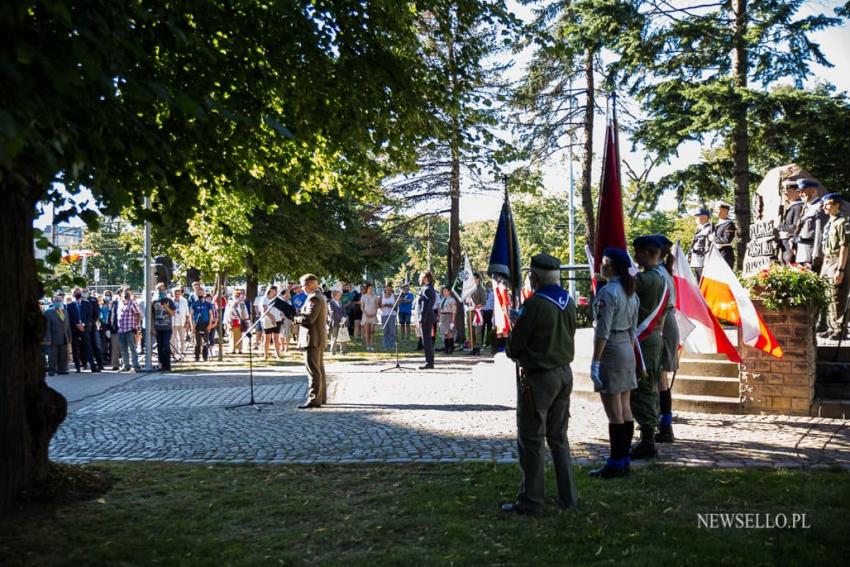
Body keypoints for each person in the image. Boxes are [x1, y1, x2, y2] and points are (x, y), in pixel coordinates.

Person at [502, 253, 578, 514]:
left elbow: (515, 346)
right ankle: (568, 496)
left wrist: (514, 326)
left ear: (534, 277)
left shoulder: (534, 304)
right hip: (564, 374)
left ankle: (532, 500)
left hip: (539, 378)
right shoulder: (568, 301)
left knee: (532, 438)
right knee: (558, 438)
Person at [588, 248, 639, 478]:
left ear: (612, 267)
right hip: (627, 348)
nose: (601, 265)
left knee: (614, 412)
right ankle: (624, 458)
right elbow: (633, 328)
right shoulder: (631, 292)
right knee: (625, 408)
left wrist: (596, 362)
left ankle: (616, 462)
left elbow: (603, 331)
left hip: (611, 350)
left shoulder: (609, 292)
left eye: (604, 262)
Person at [629, 236, 669, 460]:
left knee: (643, 387)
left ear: (646, 253)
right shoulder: (662, 276)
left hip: (642, 339)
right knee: (651, 385)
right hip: (653, 336)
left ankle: (646, 440)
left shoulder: (644, 280)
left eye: (637, 252)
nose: (635, 257)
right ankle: (649, 432)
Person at [655, 234, 678, 444]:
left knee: (660, 379)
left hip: (662, 325)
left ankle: (665, 426)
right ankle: (663, 424)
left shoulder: (660, 274)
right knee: (659, 379)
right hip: (665, 322)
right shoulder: (663, 271)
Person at [818, 193, 850, 340]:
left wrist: (840, 269)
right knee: (828, 295)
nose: (825, 206)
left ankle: (840, 329)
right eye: (824, 204)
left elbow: (844, 246)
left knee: (837, 296)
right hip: (828, 261)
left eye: (828, 203)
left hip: (837, 261)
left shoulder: (842, 222)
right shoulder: (830, 222)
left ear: (837, 205)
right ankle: (832, 327)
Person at [295, 274, 329, 409]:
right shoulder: (319, 296)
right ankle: (321, 397)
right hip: (316, 338)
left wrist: (295, 318)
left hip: (312, 339)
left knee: (313, 370)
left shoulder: (314, 297)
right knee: (318, 368)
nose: (302, 288)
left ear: (310, 284)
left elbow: (309, 318)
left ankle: (314, 399)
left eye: (303, 285)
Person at [795, 179, 828, 272]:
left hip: (812, 256)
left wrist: (817, 255)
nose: (800, 194)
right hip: (802, 255)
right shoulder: (806, 208)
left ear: (813, 191)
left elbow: (820, 233)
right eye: (799, 192)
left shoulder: (820, 207)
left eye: (802, 191)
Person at [67, 286, 99, 373]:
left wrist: (83, 324)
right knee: (75, 348)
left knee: (88, 347)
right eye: (76, 293)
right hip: (75, 329)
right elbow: (69, 318)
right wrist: (77, 324)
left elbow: (89, 315)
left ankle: (93, 366)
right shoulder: (70, 305)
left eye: (79, 293)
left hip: (85, 328)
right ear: (73, 294)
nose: (78, 294)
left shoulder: (87, 303)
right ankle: (77, 367)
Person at [44, 293, 72, 375]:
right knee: (52, 355)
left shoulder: (65, 312)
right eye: (57, 301)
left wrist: (69, 337)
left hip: (64, 337)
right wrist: (47, 339)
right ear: (53, 301)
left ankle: (62, 369)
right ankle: (52, 370)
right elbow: (47, 327)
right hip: (53, 337)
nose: (59, 302)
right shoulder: (48, 312)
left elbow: (68, 325)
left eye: (60, 300)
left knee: (63, 355)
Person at [778, 179, 805, 265]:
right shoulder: (791, 207)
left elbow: (795, 227)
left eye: (788, 191)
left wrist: (781, 226)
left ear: (797, 192)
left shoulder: (798, 207)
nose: (785, 193)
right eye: (784, 191)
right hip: (785, 246)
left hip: (792, 245)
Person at [152, 283, 177, 371]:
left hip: (167, 327)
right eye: (159, 290)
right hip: (157, 328)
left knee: (166, 345)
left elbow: (173, 313)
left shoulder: (169, 301)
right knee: (159, 346)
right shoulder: (154, 302)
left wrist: (166, 307)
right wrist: (153, 328)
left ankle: (167, 365)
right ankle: (161, 365)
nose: (161, 292)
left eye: (162, 290)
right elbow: (152, 316)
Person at [116, 287, 142, 372]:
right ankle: (126, 365)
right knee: (123, 349)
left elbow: (138, 314)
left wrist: (137, 325)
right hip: (121, 329)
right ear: (122, 294)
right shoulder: (120, 303)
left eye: (127, 292)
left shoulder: (132, 303)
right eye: (124, 292)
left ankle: (136, 365)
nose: (126, 294)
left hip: (130, 329)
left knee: (132, 348)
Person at [417, 271, 438, 369]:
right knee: (427, 340)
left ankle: (429, 362)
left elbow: (425, 306)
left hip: (426, 317)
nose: (420, 278)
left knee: (427, 341)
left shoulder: (427, 290)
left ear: (426, 278)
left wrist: (421, 319)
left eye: (421, 276)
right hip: (428, 317)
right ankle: (429, 362)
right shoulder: (428, 288)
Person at [191, 289, 215, 361]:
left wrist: (210, 325)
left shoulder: (208, 304)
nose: (200, 294)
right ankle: (197, 357)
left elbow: (211, 315)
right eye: (198, 293)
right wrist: (193, 325)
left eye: (201, 292)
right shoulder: (194, 304)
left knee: (206, 342)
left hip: (206, 324)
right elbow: (191, 315)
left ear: (204, 293)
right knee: (198, 342)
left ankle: (205, 357)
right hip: (197, 324)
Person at [466, 273, 487, 355]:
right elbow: (465, 300)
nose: (473, 280)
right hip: (470, 312)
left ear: (478, 279)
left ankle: (478, 347)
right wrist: (467, 301)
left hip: (477, 312)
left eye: (474, 278)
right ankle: (472, 347)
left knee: (477, 331)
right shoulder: (469, 289)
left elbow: (484, 302)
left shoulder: (481, 289)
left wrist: (476, 306)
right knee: (470, 330)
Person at [260, 286, 283, 359]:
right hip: (267, 321)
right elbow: (265, 310)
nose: (275, 291)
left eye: (276, 290)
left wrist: (281, 314)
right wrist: (272, 318)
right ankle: (265, 355)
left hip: (277, 320)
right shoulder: (264, 299)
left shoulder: (277, 299)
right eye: (274, 290)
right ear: (270, 290)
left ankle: (278, 354)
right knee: (267, 338)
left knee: (276, 338)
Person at [689, 208, 713, 280]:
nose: (697, 218)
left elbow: (710, 245)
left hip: (704, 259)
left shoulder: (710, 228)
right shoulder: (699, 229)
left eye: (698, 216)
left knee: (702, 280)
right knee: (698, 279)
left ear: (705, 217)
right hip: (697, 259)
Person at [711, 202, 737, 269]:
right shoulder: (715, 225)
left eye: (719, 210)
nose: (717, 212)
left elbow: (726, 240)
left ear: (725, 211)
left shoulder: (729, 224)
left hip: (725, 254)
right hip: (716, 254)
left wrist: (713, 239)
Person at [225, 288, 250, 354]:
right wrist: (225, 322)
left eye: (238, 296)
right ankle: (233, 349)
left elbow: (245, 312)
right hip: (232, 321)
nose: (237, 297)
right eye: (236, 296)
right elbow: (227, 313)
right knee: (232, 335)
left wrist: (246, 320)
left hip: (240, 321)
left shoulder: (242, 304)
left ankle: (240, 349)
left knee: (240, 335)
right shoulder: (230, 304)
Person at [103, 290, 121, 370]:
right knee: (115, 348)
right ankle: (115, 364)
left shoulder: (121, 305)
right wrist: (108, 328)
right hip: (115, 330)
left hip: (122, 329)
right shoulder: (112, 308)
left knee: (120, 348)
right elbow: (109, 318)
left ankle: (123, 364)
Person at [171, 287, 190, 360]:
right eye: (175, 293)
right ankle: (173, 352)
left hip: (182, 321)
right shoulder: (171, 300)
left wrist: (187, 321)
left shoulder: (184, 300)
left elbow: (187, 311)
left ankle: (182, 351)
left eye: (178, 292)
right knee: (173, 338)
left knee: (182, 338)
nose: (177, 294)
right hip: (173, 322)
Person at [360, 283, 380, 352]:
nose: (371, 289)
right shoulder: (363, 296)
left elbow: (377, 306)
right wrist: (366, 314)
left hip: (373, 315)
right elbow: (362, 307)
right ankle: (367, 345)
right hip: (366, 316)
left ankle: (371, 345)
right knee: (367, 331)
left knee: (372, 331)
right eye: (370, 288)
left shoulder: (375, 296)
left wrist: (374, 313)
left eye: (372, 288)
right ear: (367, 289)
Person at [438, 287, 457, 354]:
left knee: (449, 333)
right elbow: (440, 310)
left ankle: (450, 348)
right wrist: (440, 320)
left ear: (449, 292)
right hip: (443, 317)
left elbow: (454, 312)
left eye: (446, 291)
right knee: (444, 333)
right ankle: (446, 348)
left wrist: (452, 321)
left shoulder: (452, 300)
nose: (444, 292)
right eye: (443, 291)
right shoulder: (442, 299)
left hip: (448, 316)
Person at [328, 289, 347, 354]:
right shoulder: (330, 303)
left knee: (343, 336)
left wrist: (345, 318)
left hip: (343, 322)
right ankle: (333, 351)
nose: (340, 296)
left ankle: (343, 351)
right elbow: (332, 313)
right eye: (339, 295)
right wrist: (341, 318)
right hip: (334, 322)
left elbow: (344, 312)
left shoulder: (341, 302)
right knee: (334, 337)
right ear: (334, 295)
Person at [380, 283, 397, 350]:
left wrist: (389, 305)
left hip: (392, 315)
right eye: (387, 289)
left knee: (392, 330)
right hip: (384, 315)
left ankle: (392, 345)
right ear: (385, 289)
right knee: (385, 330)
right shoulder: (382, 296)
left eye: (390, 290)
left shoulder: (393, 296)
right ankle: (385, 345)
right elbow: (379, 305)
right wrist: (383, 306)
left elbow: (396, 306)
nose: (389, 291)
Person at [482, 281, 494, 353]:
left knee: (489, 328)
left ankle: (488, 342)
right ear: (486, 286)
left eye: (490, 286)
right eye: (488, 286)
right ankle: (481, 342)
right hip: (483, 312)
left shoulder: (493, 294)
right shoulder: (483, 293)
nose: (489, 287)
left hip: (490, 312)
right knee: (482, 328)